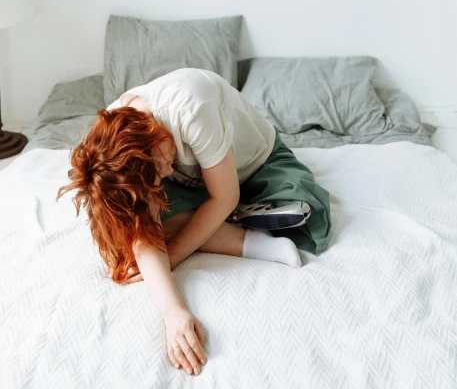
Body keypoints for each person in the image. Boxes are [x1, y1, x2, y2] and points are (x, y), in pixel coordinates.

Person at [56, 67, 332, 377]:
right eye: (156, 175)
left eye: (158, 168)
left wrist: (171, 257)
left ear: (147, 140)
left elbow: (225, 195)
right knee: (130, 235)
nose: (161, 175)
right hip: (191, 181)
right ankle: (249, 236)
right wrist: (173, 313)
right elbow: (142, 229)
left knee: (302, 206)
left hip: (252, 163)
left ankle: (241, 223)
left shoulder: (190, 104)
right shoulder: (116, 148)